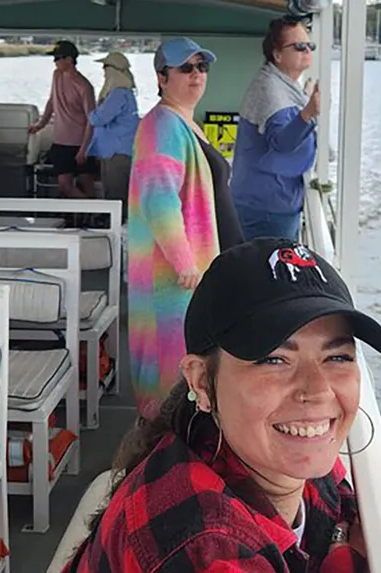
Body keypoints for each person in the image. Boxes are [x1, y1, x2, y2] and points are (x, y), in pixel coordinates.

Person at [65, 237, 381, 573]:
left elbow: (337, 499)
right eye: (274, 360)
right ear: (201, 382)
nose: (318, 390)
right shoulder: (203, 547)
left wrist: (338, 544)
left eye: (337, 356)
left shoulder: (261, 450)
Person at [126, 37, 243, 420]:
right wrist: (184, 264)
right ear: (162, 77)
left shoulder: (184, 122)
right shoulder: (160, 125)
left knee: (193, 373)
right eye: (186, 68)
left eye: (202, 67)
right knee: (172, 379)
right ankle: (162, 460)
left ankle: (186, 450)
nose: (197, 75)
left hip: (199, 275)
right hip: (174, 285)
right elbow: (159, 198)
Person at [230, 18, 320, 241]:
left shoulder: (285, 85)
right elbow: (281, 142)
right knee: (267, 274)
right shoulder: (270, 89)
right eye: (299, 46)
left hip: (274, 202)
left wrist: (305, 102)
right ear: (277, 55)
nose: (307, 50)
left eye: (310, 46)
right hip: (265, 209)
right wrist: (308, 112)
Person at [28, 40, 97, 200]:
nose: (55, 62)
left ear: (69, 59)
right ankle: (94, 211)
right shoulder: (57, 75)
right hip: (61, 142)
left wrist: (84, 149)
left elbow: (91, 120)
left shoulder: (84, 86)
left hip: (80, 143)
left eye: (58, 58)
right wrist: (41, 124)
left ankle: (96, 215)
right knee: (64, 185)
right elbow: (52, 101)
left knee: (85, 180)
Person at [88, 51, 140, 224]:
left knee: (115, 195)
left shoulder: (117, 94)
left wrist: (94, 110)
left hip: (115, 152)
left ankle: (116, 232)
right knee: (118, 194)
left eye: (105, 67)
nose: (103, 72)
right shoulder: (127, 93)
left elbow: (98, 119)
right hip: (118, 150)